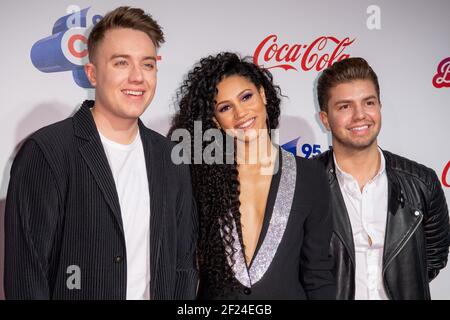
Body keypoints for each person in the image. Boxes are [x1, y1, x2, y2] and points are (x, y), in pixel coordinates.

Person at [4, 6, 198, 300]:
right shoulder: (47, 151)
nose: (137, 77)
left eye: (147, 65)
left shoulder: (170, 157)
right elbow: (27, 277)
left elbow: (183, 265)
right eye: (121, 63)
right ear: (92, 74)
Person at [169, 52, 335, 299]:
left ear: (263, 94)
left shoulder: (310, 176)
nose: (241, 114)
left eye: (246, 97)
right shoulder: (199, 178)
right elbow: (182, 266)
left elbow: (318, 272)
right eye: (226, 107)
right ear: (215, 121)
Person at [315, 57, 450, 299]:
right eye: (345, 106)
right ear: (325, 119)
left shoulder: (421, 183)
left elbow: (433, 259)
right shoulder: (306, 184)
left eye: (368, 102)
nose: (360, 115)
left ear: (379, 107)